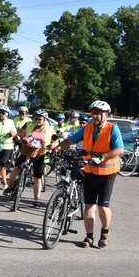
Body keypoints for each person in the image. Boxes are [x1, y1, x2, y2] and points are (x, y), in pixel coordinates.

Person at [55, 100, 124, 248]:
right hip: (90, 171)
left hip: (107, 172)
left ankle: (105, 233)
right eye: (93, 113)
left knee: (102, 206)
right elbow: (70, 140)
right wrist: (56, 148)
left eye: (98, 113)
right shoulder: (87, 128)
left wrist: (102, 157)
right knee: (88, 206)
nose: (95, 116)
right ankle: (89, 237)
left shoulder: (113, 129)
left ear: (106, 115)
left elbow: (119, 150)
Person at [4, 109, 57, 208]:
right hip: (26, 151)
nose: (37, 121)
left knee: (37, 178)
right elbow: (21, 135)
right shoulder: (29, 126)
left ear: (44, 120)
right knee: (15, 170)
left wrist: (51, 146)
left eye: (39, 119)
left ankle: (36, 200)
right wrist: (18, 139)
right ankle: (9, 187)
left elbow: (55, 141)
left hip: (40, 154)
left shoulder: (50, 129)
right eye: (35, 118)